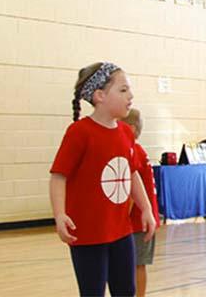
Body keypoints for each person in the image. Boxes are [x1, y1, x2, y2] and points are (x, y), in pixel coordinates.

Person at [50, 62, 157, 296]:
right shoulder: (79, 132)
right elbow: (58, 176)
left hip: (122, 231)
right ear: (99, 96)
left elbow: (131, 172)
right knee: (93, 292)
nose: (131, 95)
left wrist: (146, 208)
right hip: (88, 234)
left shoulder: (126, 132)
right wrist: (59, 215)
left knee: (126, 290)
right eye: (123, 90)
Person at [120, 109, 161, 297]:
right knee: (136, 264)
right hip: (143, 219)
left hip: (137, 221)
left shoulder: (132, 150)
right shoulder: (138, 150)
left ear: (130, 128)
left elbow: (129, 191)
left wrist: (120, 218)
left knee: (136, 264)